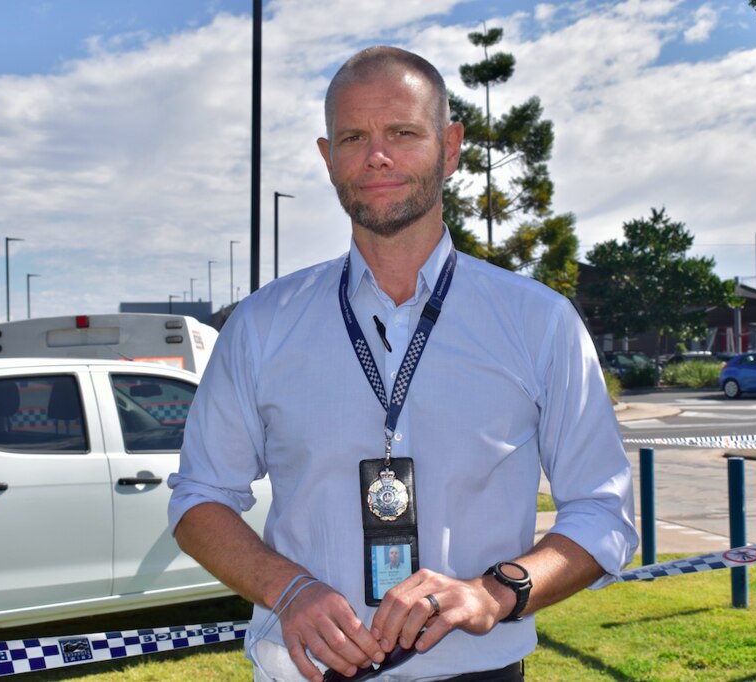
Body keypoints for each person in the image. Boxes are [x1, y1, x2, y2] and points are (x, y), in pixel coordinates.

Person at [168, 45, 637, 681]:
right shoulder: (261, 324)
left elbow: (602, 511)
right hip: (305, 670)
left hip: (476, 670)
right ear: (327, 155)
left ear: (451, 146)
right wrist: (289, 590)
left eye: (403, 133)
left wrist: (492, 592)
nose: (377, 155)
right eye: (353, 136)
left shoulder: (537, 321)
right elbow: (199, 499)